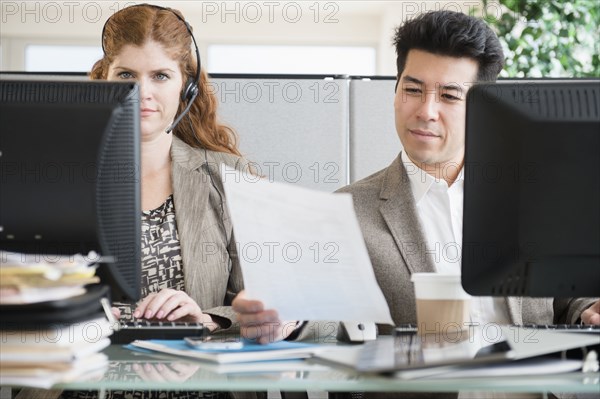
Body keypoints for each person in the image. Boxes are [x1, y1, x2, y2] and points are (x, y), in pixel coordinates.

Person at [233, 9, 600, 346]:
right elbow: (328, 317)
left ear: (484, 105)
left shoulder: (535, 201)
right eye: (412, 89)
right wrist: (290, 320)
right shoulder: (345, 210)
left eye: (450, 96)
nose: (426, 111)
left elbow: (571, 297)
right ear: (395, 93)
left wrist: (591, 309)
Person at [55, 4, 259, 399]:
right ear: (104, 79)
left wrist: (207, 318)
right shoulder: (59, 177)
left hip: (198, 387)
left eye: (160, 76)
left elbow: (269, 306)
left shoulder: (229, 179)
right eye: (126, 75)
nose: (141, 92)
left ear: (186, 85)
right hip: (80, 386)